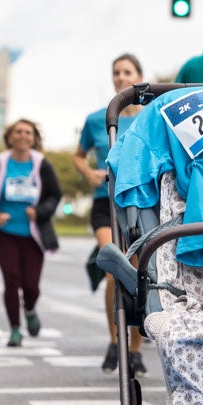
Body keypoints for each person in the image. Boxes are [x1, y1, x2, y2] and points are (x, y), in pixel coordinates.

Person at [73, 53, 147, 375]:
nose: (120, 77)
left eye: (127, 72)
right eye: (116, 72)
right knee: (112, 269)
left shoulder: (152, 117)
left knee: (138, 270)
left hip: (140, 203)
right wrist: (87, 171)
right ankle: (115, 340)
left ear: (139, 76)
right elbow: (79, 155)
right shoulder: (96, 119)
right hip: (105, 202)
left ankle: (135, 349)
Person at [0, 119, 61, 347]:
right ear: (10, 137)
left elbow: (54, 195)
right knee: (11, 279)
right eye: (18, 132)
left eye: (27, 132)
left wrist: (39, 211)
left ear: (33, 138)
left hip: (33, 235)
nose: (22, 135)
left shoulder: (42, 164)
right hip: (5, 233)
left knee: (31, 286)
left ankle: (30, 310)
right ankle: (14, 329)